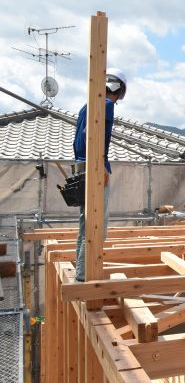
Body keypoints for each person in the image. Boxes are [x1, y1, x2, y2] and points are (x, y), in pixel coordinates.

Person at [73, 68, 127, 282]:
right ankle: (87, 275)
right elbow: (90, 136)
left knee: (85, 224)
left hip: (81, 166)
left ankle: (80, 272)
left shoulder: (87, 106)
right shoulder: (106, 105)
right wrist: (100, 165)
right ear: (118, 88)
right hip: (93, 167)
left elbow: (79, 139)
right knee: (97, 227)